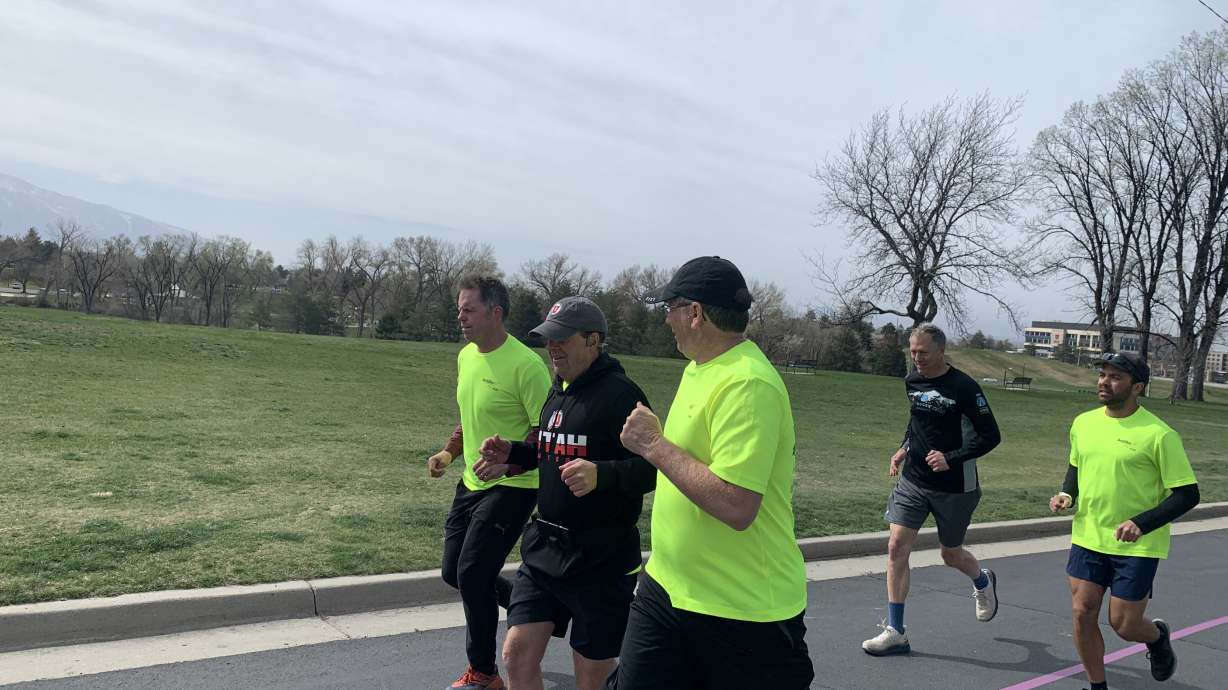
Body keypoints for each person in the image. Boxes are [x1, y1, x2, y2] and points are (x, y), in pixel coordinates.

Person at [605, 256, 814, 690]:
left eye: (671, 309)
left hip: (741, 609)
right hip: (668, 587)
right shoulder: (701, 368)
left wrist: (654, 446)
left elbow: (737, 505)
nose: (667, 321)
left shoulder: (748, 383)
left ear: (695, 313)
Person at [475, 296, 655, 690]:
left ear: (593, 340)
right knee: (515, 654)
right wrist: (515, 454)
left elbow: (652, 468)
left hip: (600, 560)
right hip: (545, 551)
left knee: (591, 677)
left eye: (562, 339)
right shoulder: (558, 391)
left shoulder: (623, 396)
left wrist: (602, 475)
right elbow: (552, 450)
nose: (552, 347)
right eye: (547, 339)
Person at [427, 275, 551, 690]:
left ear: (496, 313)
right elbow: (471, 415)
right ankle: (539, 610)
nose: (460, 316)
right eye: (459, 309)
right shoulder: (466, 357)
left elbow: (545, 433)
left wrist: (508, 466)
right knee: (453, 572)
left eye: (468, 309)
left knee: (474, 573)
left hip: (515, 486)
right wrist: (449, 453)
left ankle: (483, 673)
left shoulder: (527, 366)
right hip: (472, 482)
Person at [1049, 351, 1199, 690]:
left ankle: (1157, 638)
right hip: (1089, 535)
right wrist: (1067, 494)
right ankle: (1097, 686)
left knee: (1124, 625)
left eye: (1116, 376)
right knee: (1081, 612)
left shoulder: (1159, 434)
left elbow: (1188, 495)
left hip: (1138, 544)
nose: (1104, 381)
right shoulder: (1083, 423)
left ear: (1137, 387)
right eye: (1103, 374)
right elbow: (1076, 466)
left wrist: (1141, 523)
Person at [862, 322, 1003, 656]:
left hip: (956, 486)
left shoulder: (964, 387)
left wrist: (951, 458)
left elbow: (990, 436)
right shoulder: (912, 380)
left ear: (941, 350)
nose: (916, 358)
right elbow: (917, 421)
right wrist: (904, 448)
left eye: (923, 352)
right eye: (912, 351)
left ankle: (982, 581)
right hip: (914, 480)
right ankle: (896, 631)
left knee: (950, 553)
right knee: (896, 547)